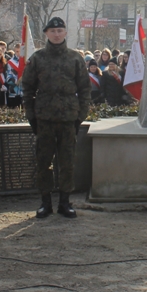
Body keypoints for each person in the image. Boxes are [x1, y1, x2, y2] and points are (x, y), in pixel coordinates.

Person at [22, 17, 90, 219]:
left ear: (65, 33)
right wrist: (31, 116)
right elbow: (27, 89)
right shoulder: (37, 58)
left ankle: (64, 202)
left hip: (69, 119)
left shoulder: (75, 58)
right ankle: (45, 203)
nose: (57, 34)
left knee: (67, 162)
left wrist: (80, 116)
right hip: (44, 119)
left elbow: (85, 89)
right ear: (46, 34)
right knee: (44, 162)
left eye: (60, 30)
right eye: (53, 31)